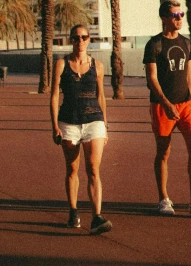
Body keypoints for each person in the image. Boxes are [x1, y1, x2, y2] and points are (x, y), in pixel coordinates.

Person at [143, 1, 191, 216]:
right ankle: (163, 199)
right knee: (163, 152)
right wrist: (166, 104)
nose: (179, 19)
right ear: (164, 18)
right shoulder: (154, 45)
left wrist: (190, 99)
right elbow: (151, 78)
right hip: (162, 106)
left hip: (186, 105)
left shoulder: (186, 43)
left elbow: (188, 75)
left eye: (181, 14)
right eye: (175, 15)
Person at [50, 24, 112, 235]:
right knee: (72, 169)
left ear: (89, 39)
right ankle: (74, 210)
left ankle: (97, 216)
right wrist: (54, 126)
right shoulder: (60, 64)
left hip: (94, 120)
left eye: (84, 37)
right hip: (69, 122)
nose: (80, 41)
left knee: (93, 168)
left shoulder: (98, 66)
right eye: (76, 38)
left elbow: (101, 96)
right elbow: (54, 96)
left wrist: (105, 124)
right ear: (71, 40)